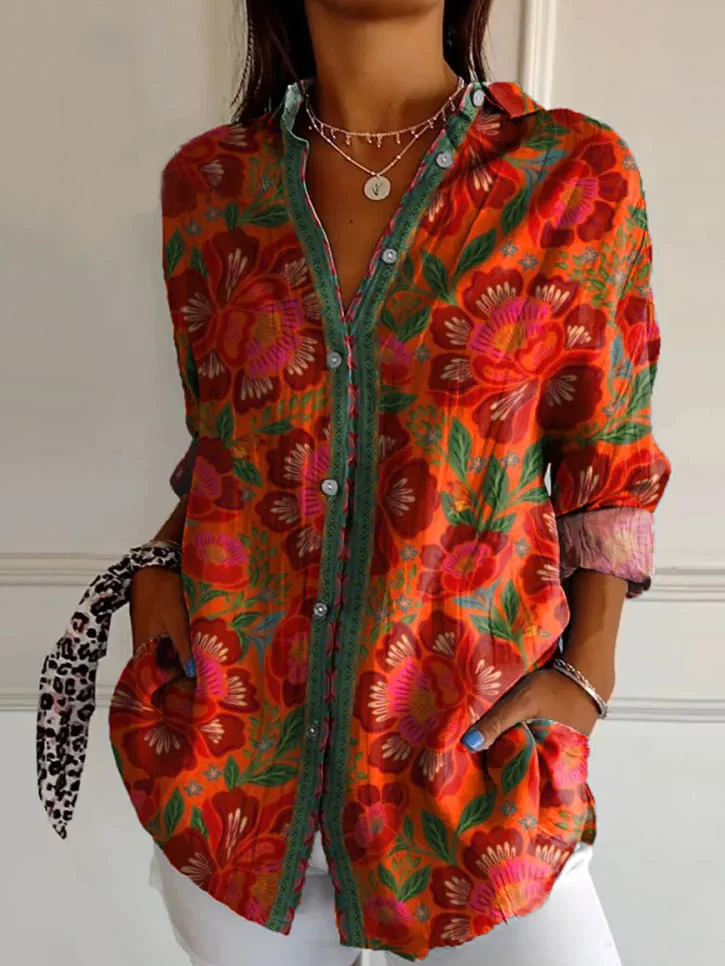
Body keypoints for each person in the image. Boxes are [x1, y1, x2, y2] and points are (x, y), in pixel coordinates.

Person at [117, 1, 671, 964]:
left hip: (472, 774)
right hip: (235, 772)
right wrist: (158, 569)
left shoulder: (569, 175)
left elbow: (608, 458)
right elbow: (227, 443)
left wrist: (588, 674)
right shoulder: (210, 188)